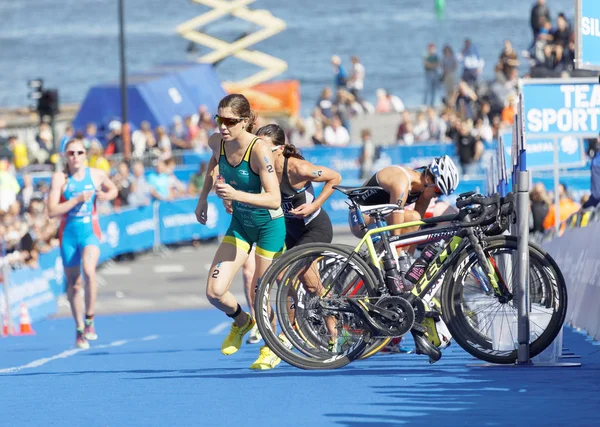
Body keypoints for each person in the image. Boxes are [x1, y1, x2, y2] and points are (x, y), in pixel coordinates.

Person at [194, 94, 285, 370]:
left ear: (245, 122)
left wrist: (235, 194)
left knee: (260, 292)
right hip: (242, 225)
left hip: (269, 226)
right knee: (214, 292)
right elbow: (213, 162)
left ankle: (273, 348)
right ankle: (243, 322)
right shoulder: (216, 142)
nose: (223, 126)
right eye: (219, 119)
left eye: (230, 121)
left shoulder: (258, 150)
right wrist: (203, 198)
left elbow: (274, 199)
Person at [348, 155, 460, 354]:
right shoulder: (402, 180)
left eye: (440, 193)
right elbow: (396, 229)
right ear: (428, 178)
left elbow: (414, 231)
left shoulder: (421, 191)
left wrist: (406, 262)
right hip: (361, 216)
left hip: (379, 214)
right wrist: (398, 257)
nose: (436, 196)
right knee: (409, 223)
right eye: (436, 190)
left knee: (415, 220)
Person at [47, 138, 118, 349]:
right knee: (74, 284)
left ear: (85, 155)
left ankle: (90, 320)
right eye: (71, 153)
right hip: (68, 234)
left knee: (89, 270)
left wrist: (106, 195)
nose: (75, 157)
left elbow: (113, 189)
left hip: (90, 231)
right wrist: (76, 200)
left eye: (79, 152)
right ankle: (79, 328)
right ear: (65, 156)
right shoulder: (60, 178)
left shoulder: (95, 174)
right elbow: (51, 211)